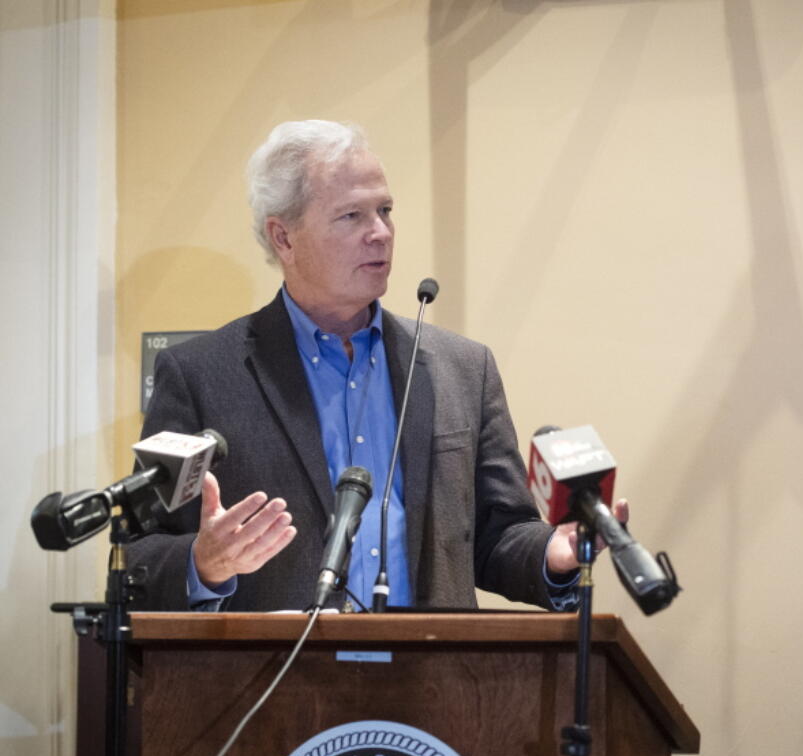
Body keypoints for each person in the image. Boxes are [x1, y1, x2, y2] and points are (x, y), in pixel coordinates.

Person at [127, 119, 621, 612]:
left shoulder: (464, 369)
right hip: (278, 678)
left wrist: (552, 555)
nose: (381, 233)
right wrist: (203, 562)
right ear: (284, 238)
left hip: (432, 679)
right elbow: (136, 554)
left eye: (385, 210)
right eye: (351, 216)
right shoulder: (201, 376)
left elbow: (500, 534)